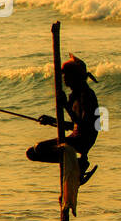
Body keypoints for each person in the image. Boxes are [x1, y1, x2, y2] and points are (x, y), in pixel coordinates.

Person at [27, 54, 99, 185]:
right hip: (76, 136)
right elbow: (73, 125)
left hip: (83, 140)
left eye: (67, 75)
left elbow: (84, 125)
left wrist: (65, 105)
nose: (64, 79)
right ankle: (77, 163)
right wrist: (52, 121)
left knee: (39, 148)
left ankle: (78, 163)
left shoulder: (86, 95)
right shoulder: (75, 94)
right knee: (32, 153)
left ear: (75, 77)